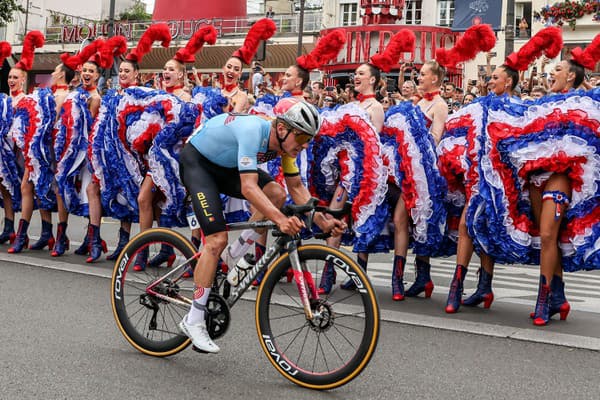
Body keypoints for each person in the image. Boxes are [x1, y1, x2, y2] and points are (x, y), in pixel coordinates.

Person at [178, 97, 346, 352]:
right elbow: (248, 187)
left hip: (225, 166)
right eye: (301, 139)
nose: (303, 145)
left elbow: (296, 189)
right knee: (215, 240)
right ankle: (194, 319)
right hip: (198, 164)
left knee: (277, 195)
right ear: (282, 129)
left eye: (308, 141)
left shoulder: (285, 145)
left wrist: (322, 220)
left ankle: (237, 257)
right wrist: (280, 219)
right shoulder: (253, 131)